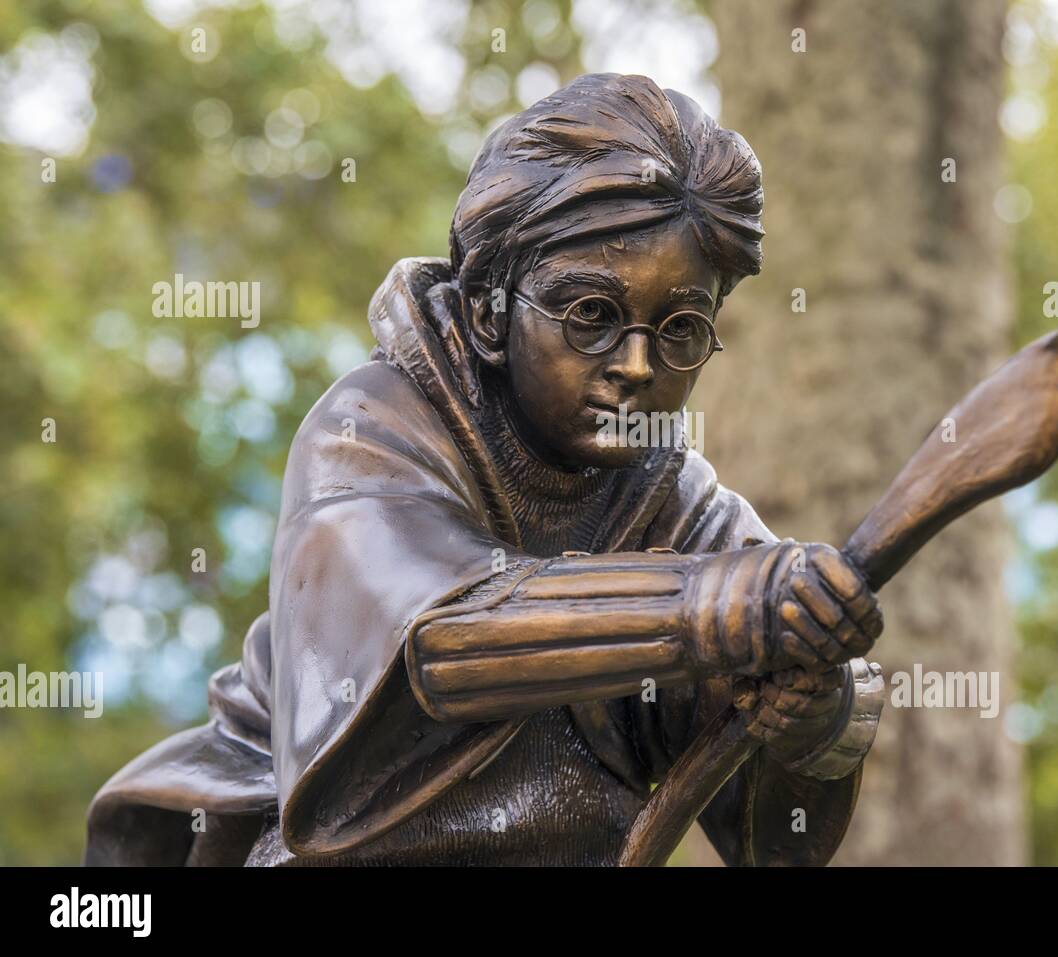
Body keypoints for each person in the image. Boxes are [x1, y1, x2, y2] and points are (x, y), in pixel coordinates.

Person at [86, 73, 885, 867]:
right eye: (591, 315)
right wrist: (711, 606)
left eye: (681, 328)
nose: (638, 365)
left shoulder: (681, 506)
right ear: (488, 312)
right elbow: (440, 640)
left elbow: (778, 842)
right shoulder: (370, 431)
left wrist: (815, 713)